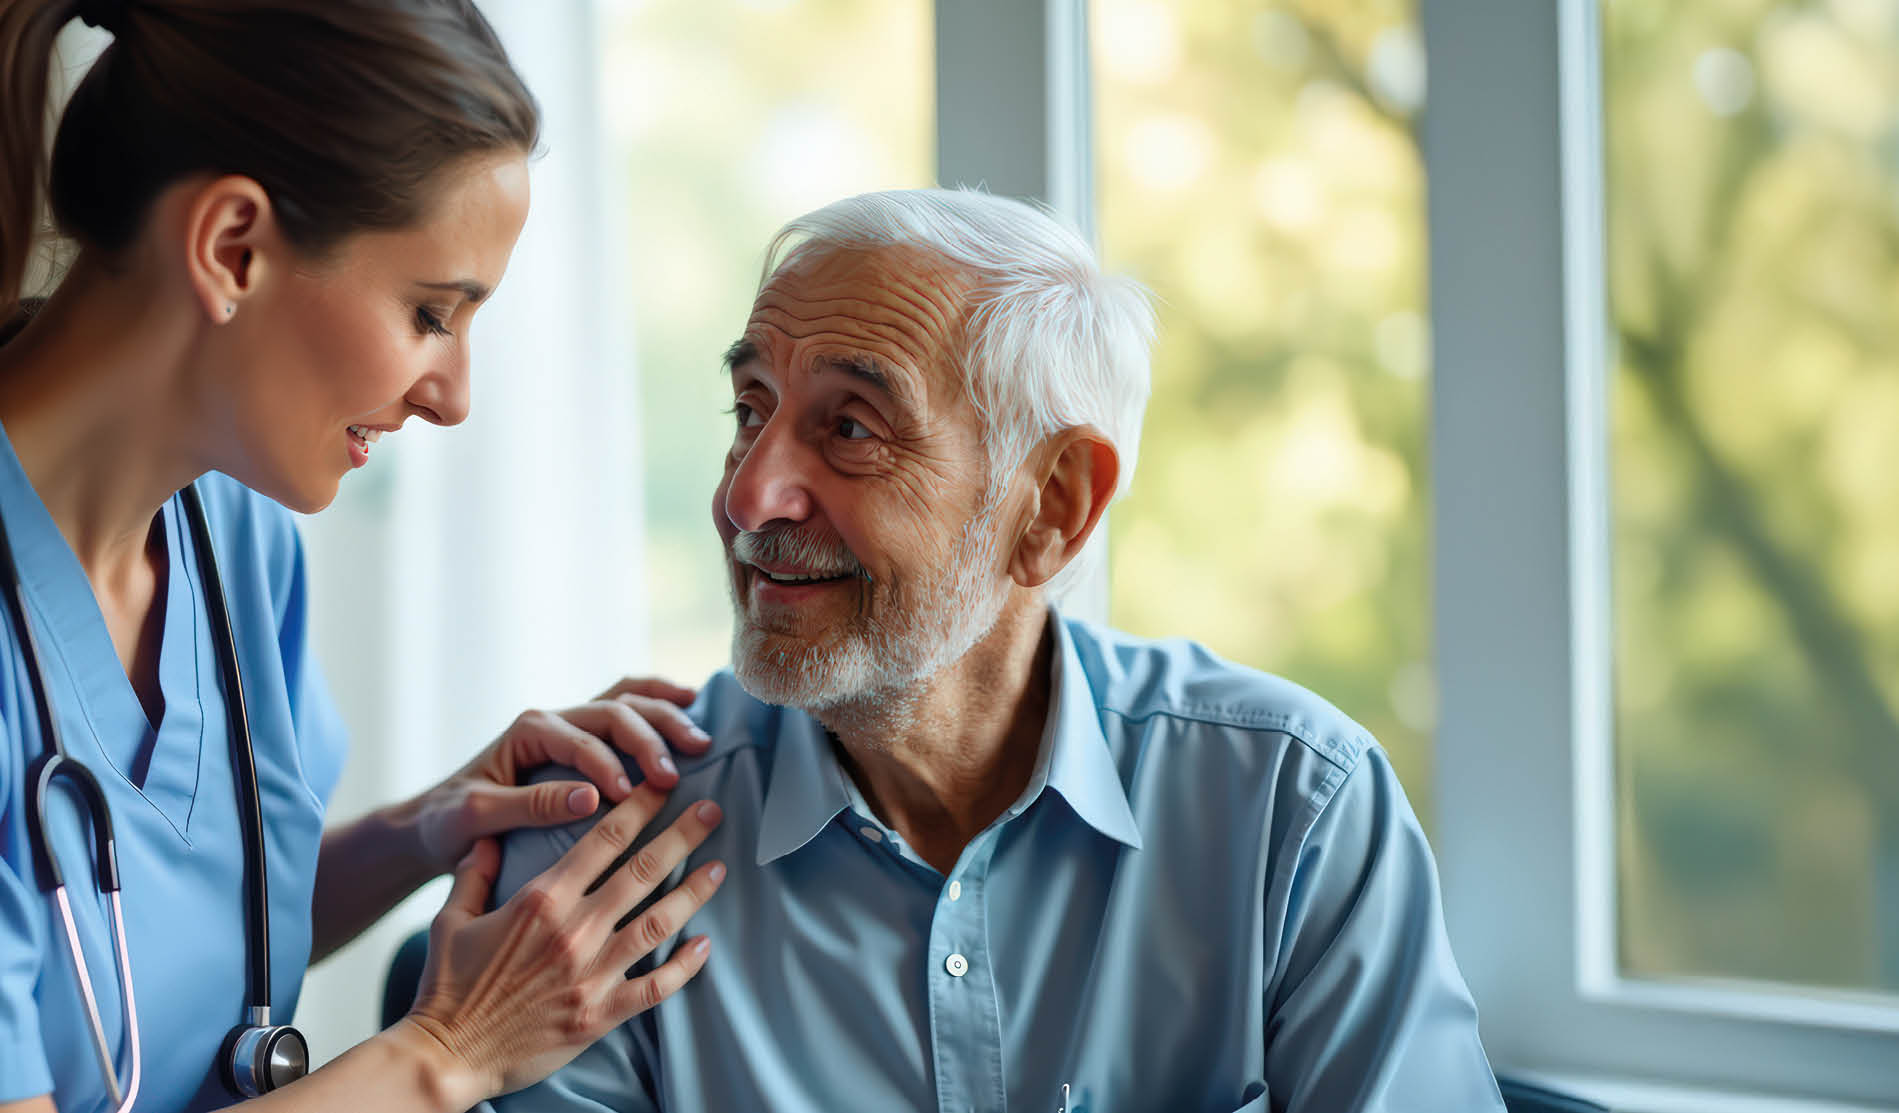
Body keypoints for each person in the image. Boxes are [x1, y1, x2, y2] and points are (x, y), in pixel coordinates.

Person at [0, 2, 730, 1111]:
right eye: (431, 313)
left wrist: (430, 828)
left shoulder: (234, 538)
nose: (453, 394)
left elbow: (156, 943)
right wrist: (449, 1051)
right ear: (232, 247)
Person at [484, 189, 1503, 1112]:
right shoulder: (596, 853)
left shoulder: (1293, 808)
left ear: (1054, 505)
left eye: (850, 429)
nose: (748, 496)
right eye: (749, 411)